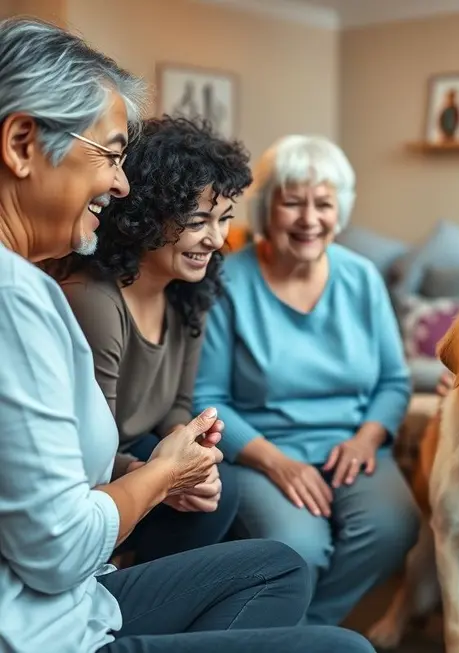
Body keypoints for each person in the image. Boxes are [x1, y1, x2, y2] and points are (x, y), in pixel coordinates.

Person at [0, 16, 374, 653]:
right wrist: (161, 472)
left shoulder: (176, 294)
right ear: (21, 143)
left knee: (277, 564)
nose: (118, 185)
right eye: (111, 156)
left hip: (74, 594)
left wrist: (181, 455)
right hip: (43, 626)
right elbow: (57, 547)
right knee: (349, 649)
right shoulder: (32, 297)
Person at [194, 134, 420, 626]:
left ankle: (301, 633)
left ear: (341, 210)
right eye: (292, 202)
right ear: (266, 207)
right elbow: (206, 397)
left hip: (351, 448)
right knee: (298, 548)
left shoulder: (361, 278)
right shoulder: (227, 282)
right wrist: (277, 463)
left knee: (393, 527)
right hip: (261, 449)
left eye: (324, 203)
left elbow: (393, 382)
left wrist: (367, 438)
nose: (309, 219)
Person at [49, 115, 250, 564]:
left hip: (139, 454)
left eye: (224, 220)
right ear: (145, 217)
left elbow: (177, 404)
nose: (215, 239)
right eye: (199, 220)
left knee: (220, 486)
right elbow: (87, 448)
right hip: (94, 472)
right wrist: (156, 475)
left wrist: (189, 452)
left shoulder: (189, 292)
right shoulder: (95, 302)